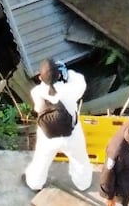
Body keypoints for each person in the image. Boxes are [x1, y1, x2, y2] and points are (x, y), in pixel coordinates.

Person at [24, 58, 92, 193]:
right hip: (71, 133)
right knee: (80, 159)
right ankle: (83, 184)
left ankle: (34, 184)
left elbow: (38, 109)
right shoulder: (72, 89)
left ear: (40, 77)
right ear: (59, 74)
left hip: (47, 134)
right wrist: (66, 72)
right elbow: (79, 79)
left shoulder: (36, 92)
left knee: (41, 160)